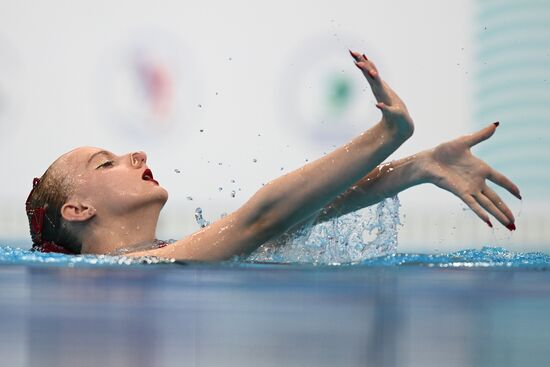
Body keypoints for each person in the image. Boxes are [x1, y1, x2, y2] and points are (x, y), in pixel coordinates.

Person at [25, 51, 521, 260]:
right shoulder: (119, 273)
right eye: (106, 163)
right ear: (77, 210)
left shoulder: (167, 254)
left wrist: (416, 167)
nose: (135, 154)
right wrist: (386, 136)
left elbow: (299, 214)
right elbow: (259, 220)